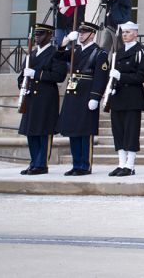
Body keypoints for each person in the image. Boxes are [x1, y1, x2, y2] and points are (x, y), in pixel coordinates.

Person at [56, 21, 109, 176]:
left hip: (87, 94)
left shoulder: (99, 53)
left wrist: (95, 97)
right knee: (73, 130)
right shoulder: (75, 51)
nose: (81, 34)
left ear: (92, 34)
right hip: (73, 93)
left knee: (85, 131)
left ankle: (84, 165)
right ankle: (76, 164)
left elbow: (101, 77)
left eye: (84, 32)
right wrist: (65, 41)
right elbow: (57, 56)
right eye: (80, 32)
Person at [16, 23, 67, 175]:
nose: (37, 37)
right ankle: (34, 163)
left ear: (50, 35)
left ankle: (41, 164)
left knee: (43, 132)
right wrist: (22, 83)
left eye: (41, 34)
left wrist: (36, 74)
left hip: (45, 98)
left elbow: (59, 76)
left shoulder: (54, 53)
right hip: (30, 98)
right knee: (31, 132)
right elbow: (21, 77)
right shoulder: (31, 54)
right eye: (36, 34)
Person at [106, 21, 144, 177]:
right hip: (117, 96)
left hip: (133, 97)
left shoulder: (142, 52)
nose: (124, 35)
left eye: (128, 32)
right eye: (123, 32)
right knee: (118, 131)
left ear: (136, 34)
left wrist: (121, 76)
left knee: (131, 132)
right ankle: (121, 164)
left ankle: (130, 165)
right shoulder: (117, 53)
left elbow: (142, 76)